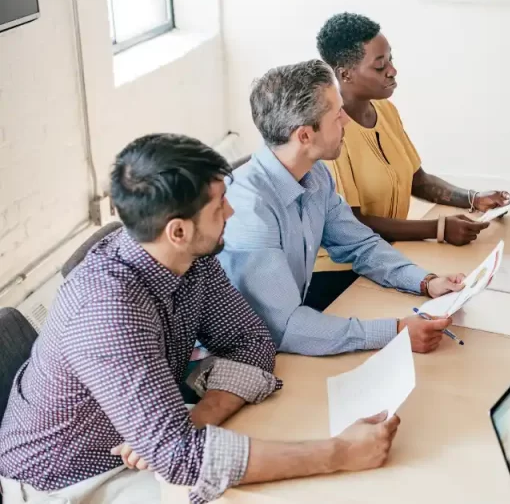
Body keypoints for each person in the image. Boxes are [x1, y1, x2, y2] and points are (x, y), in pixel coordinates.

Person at [0, 135, 402, 504]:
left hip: (148, 443)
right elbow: (182, 459)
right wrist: (340, 452)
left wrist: (196, 418)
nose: (231, 210)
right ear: (178, 230)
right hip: (67, 479)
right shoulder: (109, 310)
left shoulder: (191, 258)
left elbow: (251, 342)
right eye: (218, 206)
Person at [219, 60, 465, 357]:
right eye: (337, 115)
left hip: (284, 337)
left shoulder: (315, 173)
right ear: (305, 136)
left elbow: (360, 244)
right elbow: (284, 328)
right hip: (240, 354)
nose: (346, 121)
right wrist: (395, 331)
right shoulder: (251, 211)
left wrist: (426, 282)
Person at [315, 12, 510, 249]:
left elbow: (419, 181)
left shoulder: (385, 110)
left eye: (390, 59)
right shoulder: (330, 131)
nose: (392, 70)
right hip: (344, 267)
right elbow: (351, 222)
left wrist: (474, 199)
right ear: (345, 74)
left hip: (389, 251)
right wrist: (438, 229)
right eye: (380, 66)